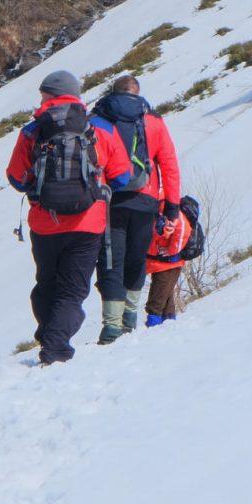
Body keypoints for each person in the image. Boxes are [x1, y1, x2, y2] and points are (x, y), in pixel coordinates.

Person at [6, 70, 131, 366]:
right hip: (88, 223)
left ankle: (51, 337)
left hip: (45, 224)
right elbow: (123, 176)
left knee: (46, 283)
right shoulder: (99, 128)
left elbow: (16, 178)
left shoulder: (32, 131)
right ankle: (56, 345)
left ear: (49, 95)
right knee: (73, 290)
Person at [90, 75, 180, 343]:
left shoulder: (99, 119)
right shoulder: (153, 121)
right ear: (138, 94)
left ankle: (111, 327)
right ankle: (130, 319)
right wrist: (172, 208)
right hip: (146, 200)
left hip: (110, 200)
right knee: (136, 259)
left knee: (111, 261)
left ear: (113, 93)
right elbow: (169, 165)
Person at [144, 195, 196, 326]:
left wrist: (172, 251)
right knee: (166, 300)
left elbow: (183, 229)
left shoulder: (168, 207)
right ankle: (168, 328)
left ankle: (153, 328)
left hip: (168, 264)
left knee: (156, 302)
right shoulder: (156, 206)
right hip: (160, 263)